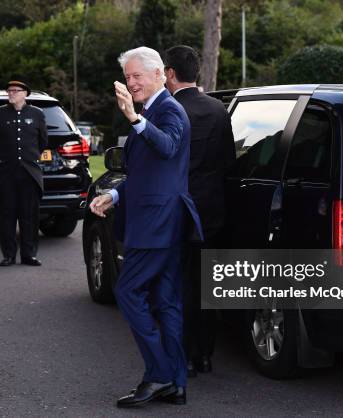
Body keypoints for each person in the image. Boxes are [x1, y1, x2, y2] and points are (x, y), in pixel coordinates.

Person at [90, 46, 202, 408]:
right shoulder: (153, 110)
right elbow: (148, 174)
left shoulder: (168, 110)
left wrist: (134, 119)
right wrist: (115, 196)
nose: (132, 82)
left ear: (160, 75)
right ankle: (176, 382)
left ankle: (159, 374)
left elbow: (168, 147)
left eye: (138, 75)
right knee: (167, 302)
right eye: (128, 77)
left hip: (157, 225)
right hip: (159, 221)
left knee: (127, 292)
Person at [163, 45, 236, 376]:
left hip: (177, 209)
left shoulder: (167, 110)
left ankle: (181, 354)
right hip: (211, 210)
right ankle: (204, 355)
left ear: (170, 74)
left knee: (178, 285)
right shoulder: (218, 109)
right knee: (206, 285)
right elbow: (227, 163)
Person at [0, 79, 47, 267]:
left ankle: (29, 255)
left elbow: (42, 141)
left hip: (29, 173)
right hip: (6, 173)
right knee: (7, 216)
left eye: (15, 90)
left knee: (29, 216)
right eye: (9, 90)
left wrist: (28, 158)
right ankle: (9, 255)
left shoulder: (37, 114)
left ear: (25, 94)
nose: (11, 93)